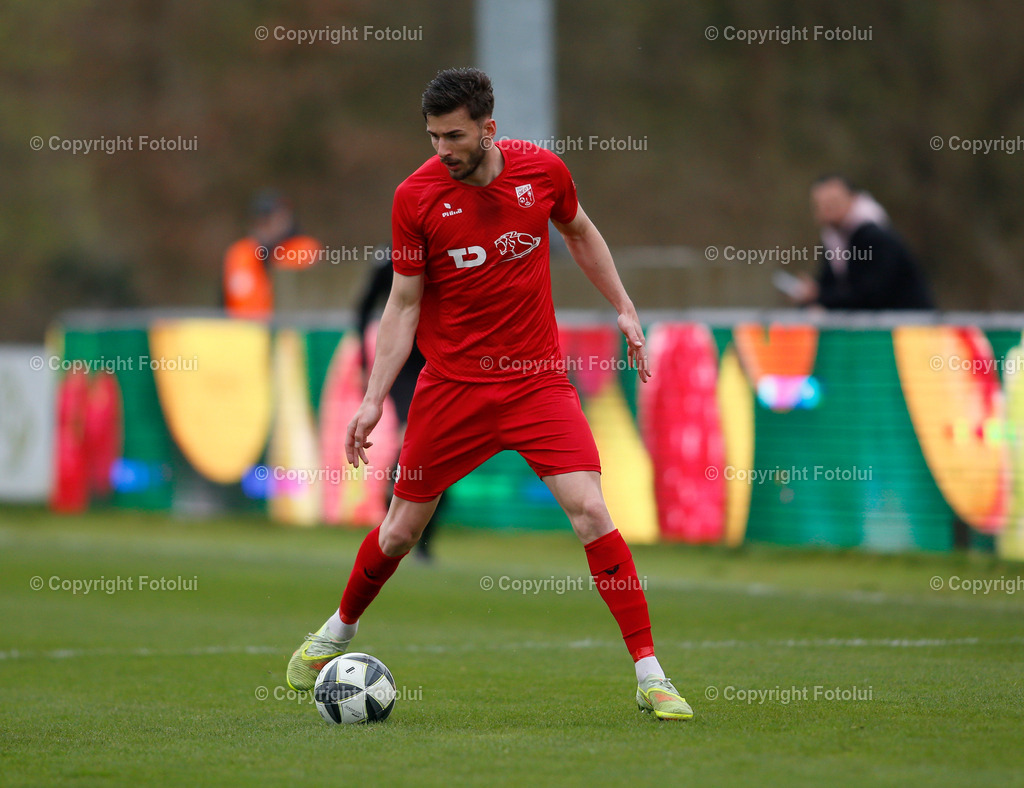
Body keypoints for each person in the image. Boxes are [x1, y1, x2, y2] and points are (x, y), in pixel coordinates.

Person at [286, 68, 693, 721]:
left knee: (591, 510)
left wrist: (622, 306)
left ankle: (651, 675)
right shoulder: (415, 198)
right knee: (399, 532)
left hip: (536, 381)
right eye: (432, 136)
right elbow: (404, 303)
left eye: (454, 135)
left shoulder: (542, 173)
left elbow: (581, 231)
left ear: (488, 128)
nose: (442, 149)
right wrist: (371, 398)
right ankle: (336, 631)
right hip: (452, 388)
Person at [355, 247, 443, 562]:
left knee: (439, 451)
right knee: (412, 437)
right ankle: (394, 500)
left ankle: (421, 538)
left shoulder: (447, 254)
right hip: (405, 364)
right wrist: (366, 363)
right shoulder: (388, 263)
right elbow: (363, 308)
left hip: (440, 359)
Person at [789, 174, 934, 310]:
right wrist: (814, 296)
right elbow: (832, 287)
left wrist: (819, 297)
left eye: (833, 202)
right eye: (820, 204)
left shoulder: (874, 237)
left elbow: (869, 294)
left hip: (909, 330)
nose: (826, 210)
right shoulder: (833, 239)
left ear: (853, 199)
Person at [222, 190, 322, 318]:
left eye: (270, 219)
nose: (266, 225)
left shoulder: (304, 248)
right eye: (261, 220)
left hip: (287, 332)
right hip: (242, 332)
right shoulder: (240, 252)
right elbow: (224, 300)